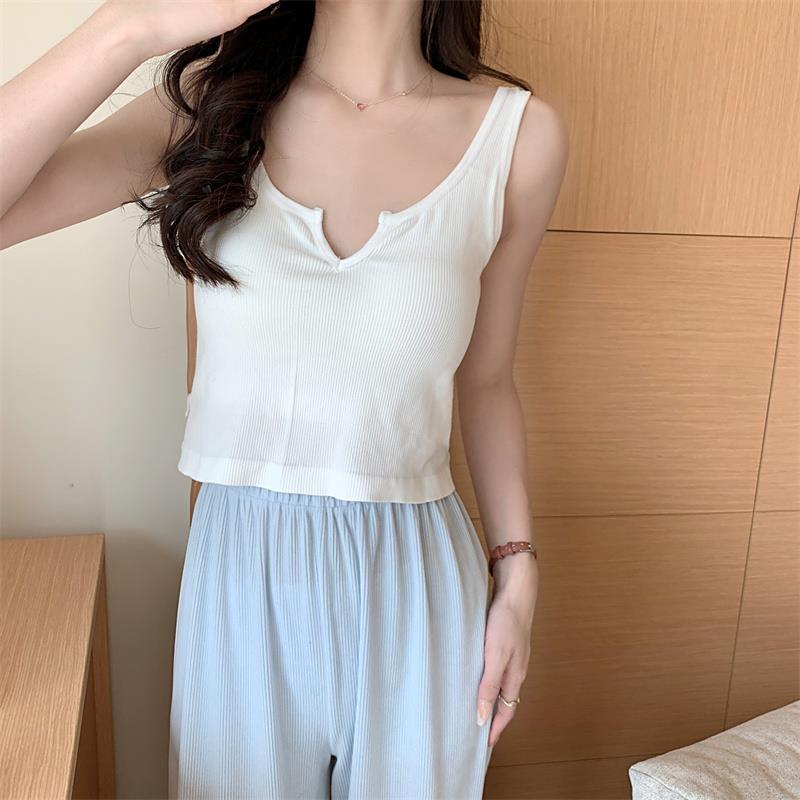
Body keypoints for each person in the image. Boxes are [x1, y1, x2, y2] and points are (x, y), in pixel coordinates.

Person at [0, 0, 569, 797]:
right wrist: (131, 26)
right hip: (243, 573)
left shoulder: (520, 136)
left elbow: (486, 378)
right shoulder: (211, 106)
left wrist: (517, 570)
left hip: (417, 580)